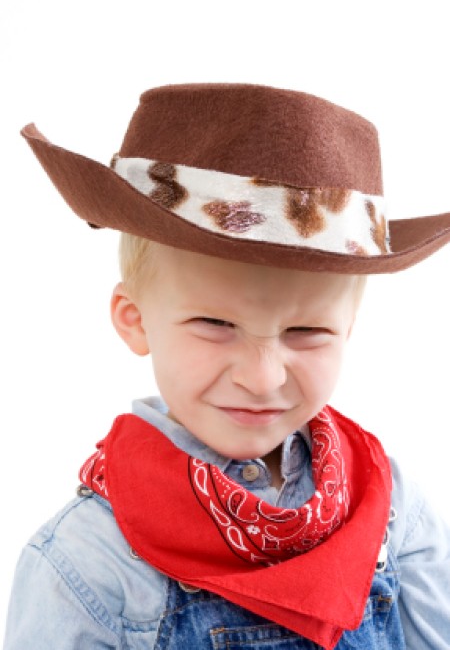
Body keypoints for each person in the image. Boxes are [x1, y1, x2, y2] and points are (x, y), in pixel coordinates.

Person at [4, 83, 450, 649]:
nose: (262, 378)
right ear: (135, 319)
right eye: (215, 325)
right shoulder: (86, 565)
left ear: (348, 332)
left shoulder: (390, 505)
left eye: (307, 331)